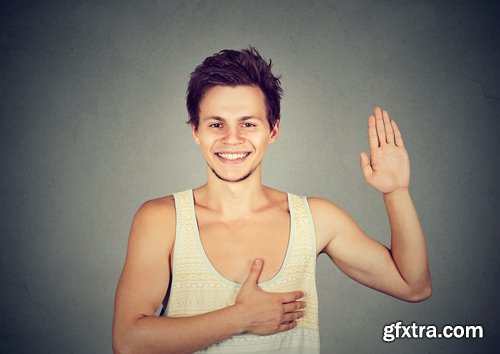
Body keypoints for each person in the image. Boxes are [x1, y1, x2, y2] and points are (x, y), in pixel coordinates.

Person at [112, 47, 431, 354]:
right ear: (196, 130)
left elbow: (413, 286)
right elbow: (128, 342)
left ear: (273, 130)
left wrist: (396, 193)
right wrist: (240, 318)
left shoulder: (316, 219)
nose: (232, 138)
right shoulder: (161, 219)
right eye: (216, 124)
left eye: (248, 124)